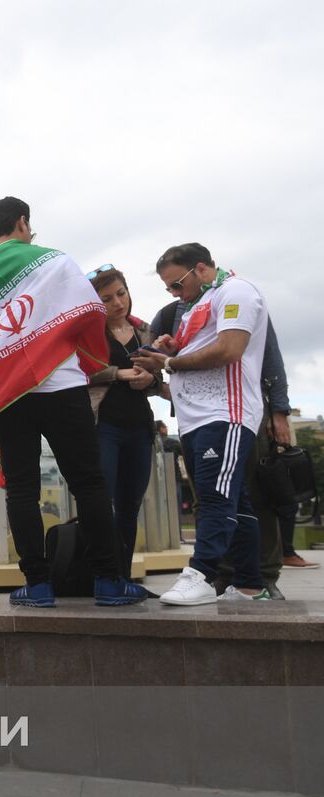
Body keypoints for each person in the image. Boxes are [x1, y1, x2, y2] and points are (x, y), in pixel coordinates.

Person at [0, 197, 148, 608]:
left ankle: (37, 585)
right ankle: (108, 582)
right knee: (88, 483)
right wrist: (87, 358)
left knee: (22, 490)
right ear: (22, 223)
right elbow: (89, 312)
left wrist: (8, 359)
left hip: (10, 396)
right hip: (63, 386)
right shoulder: (53, 262)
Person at [133, 243, 270, 603]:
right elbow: (198, 352)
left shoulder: (236, 292)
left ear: (201, 269)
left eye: (177, 284)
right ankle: (249, 586)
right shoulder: (200, 304)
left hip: (225, 414)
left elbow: (229, 349)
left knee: (214, 498)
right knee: (234, 501)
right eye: (168, 288)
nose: (174, 294)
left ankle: (201, 575)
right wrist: (172, 349)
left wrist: (168, 363)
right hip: (195, 418)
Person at [85, 266, 161, 577]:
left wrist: (151, 380)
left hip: (140, 427)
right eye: (106, 299)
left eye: (121, 293)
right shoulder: (88, 334)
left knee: (131, 506)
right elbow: (78, 373)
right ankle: (103, 576)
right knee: (102, 503)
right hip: (104, 426)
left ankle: (123, 576)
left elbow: (159, 377)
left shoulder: (146, 331)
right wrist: (118, 373)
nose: (118, 303)